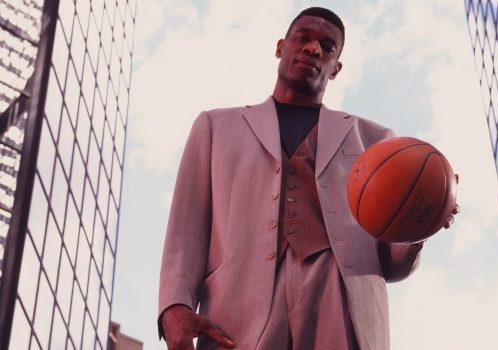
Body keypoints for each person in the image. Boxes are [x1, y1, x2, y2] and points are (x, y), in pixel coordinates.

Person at [158, 7, 459, 350]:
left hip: (340, 299)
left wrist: (423, 221)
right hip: (236, 310)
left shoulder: (378, 142)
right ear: (280, 47)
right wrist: (175, 305)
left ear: (336, 68)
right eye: (303, 38)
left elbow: (391, 264)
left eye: (328, 47)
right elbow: (186, 226)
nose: (314, 49)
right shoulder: (215, 127)